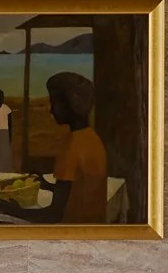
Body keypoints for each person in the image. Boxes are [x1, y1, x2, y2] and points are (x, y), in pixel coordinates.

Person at [19, 71, 109, 224]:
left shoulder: (71, 146)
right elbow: (77, 192)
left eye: (54, 103)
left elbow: (54, 215)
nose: (51, 110)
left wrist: (14, 210)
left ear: (70, 105)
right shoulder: (92, 138)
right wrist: (49, 186)